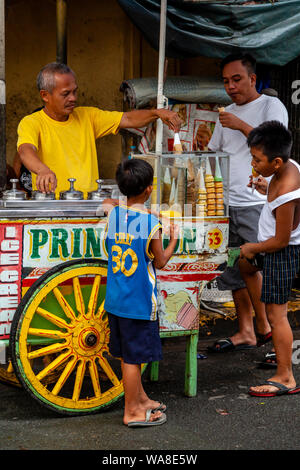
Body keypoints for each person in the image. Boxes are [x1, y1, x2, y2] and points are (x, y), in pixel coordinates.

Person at [207, 53, 288, 352]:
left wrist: (240, 124)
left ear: (253, 79)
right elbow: (214, 153)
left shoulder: (271, 105)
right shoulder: (225, 112)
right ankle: (246, 331)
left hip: (257, 202)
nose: (231, 86)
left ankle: (269, 332)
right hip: (225, 203)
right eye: (226, 81)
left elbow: (273, 146)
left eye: (237, 79)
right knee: (234, 270)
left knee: (258, 268)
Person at [17, 62, 181, 196]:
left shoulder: (88, 116)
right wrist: (42, 170)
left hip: (89, 204)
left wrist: (157, 113)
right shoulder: (32, 122)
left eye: (75, 92)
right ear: (45, 95)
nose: (73, 98)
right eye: (65, 94)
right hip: (52, 205)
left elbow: (127, 118)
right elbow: (25, 150)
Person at [103, 158, 179, 427]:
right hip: (138, 303)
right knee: (133, 359)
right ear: (149, 189)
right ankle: (133, 410)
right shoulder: (151, 226)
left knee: (127, 355)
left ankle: (141, 398)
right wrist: (174, 241)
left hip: (115, 300)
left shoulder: (114, 215)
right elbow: (159, 261)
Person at [239, 120, 300, 397]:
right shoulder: (288, 166)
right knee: (244, 267)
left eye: (256, 160)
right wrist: (266, 187)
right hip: (270, 247)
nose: (253, 164)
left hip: (280, 252)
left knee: (278, 315)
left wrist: (254, 247)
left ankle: (286, 376)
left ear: (276, 162)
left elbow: (281, 240)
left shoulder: (287, 192)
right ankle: (268, 335)